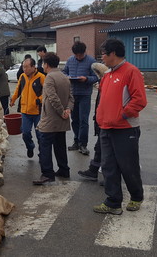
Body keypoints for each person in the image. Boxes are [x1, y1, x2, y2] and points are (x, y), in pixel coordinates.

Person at [93, 38, 147, 215]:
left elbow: (139, 100)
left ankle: (136, 197)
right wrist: (101, 119)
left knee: (128, 166)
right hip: (106, 127)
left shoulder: (131, 72)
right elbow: (103, 101)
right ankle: (113, 202)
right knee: (108, 166)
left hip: (125, 128)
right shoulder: (107, 75)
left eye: (103, 53)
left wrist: (122, 115)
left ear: (113, 54)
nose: (102, 57)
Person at [33, 52, 74, 185]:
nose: (42, 66)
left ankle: (47, 173)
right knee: (60, 145)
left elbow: (52, 97)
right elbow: (71, 97)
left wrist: (62, 111)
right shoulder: (64, 77)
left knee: (44, 146)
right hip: (62, 119)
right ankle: (63, 169)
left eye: (43, 63)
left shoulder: (49, 78)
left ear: (46, 64)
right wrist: (68, 109)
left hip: (51, 119)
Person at [63, 41, 98, 155]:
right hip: (73, 94)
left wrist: (87, 79)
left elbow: (96, 77)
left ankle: (83, 144)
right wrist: (67, 77)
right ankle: (76, 141)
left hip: (85, 94)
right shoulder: (70, 60)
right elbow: (64, 72)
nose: (78, 57)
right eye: (76, 55)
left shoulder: (92, 61)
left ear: (84, 52)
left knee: (83, 120)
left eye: (80, 55)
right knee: (75, 119)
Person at [78, 62, 109, 182]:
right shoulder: (104, 83)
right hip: (102, 121)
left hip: (108, 122)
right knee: (100, 148)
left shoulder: (108, 82)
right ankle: (94, 171)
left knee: (105, 149)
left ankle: (108, 177)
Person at [10, 58, 45, 158]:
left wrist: (39, 99)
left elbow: (47, 92)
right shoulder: (22, 76)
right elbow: (18, 89)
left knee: (40, 135)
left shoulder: (41, 77)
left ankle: (42, 154)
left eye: (26, 67)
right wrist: (13, 99)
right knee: (25, 133)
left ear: (33, 67)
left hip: (37, 112)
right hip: (25, 111)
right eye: (23, 67)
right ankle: (30, 147)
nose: (24, 69)